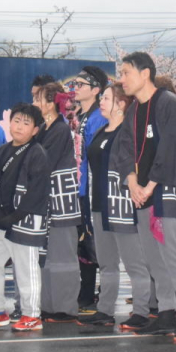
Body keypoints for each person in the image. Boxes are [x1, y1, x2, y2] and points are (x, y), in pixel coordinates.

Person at [112, 51, 176, 340]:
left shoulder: (168, 103)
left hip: (167, 189)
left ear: (145, 73)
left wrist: (149, 185)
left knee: (172, 252)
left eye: (126, 72)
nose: (121, 79)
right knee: (153, 256)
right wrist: (132, 182)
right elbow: (123, 148)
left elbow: (171, 148)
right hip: (142, 192)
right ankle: (165, 312)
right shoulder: (134, 109)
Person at [85, 84, 145, 328]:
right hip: (100, 203)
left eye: (106, 98)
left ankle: (142, 310)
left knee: (134, 263)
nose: (101, 101)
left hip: (121, 205)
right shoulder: (101, 131)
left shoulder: (127, 132)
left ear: (121, 104)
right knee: (106, 262)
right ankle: (105, 309)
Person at [0, 103, 50, 333]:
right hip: (4, 221)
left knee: (27, 269)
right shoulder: (2, 151)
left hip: (27, 220)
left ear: (35, 130)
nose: (19, 126)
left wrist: (16, 215)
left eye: (26, 123)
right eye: (16, 120)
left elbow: (38, 192)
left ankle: (32, 315)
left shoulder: (38, 153)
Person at [34, 80, 83, 323]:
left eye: (39, 98)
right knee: (49, 256)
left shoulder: (60, 129)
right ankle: (49, 305)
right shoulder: (44, 127)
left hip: (61, 201)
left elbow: (44, 162)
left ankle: (64, 306)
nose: (35, 103)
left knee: (62, 255)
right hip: (49, 201)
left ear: (52, 102)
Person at [70, 66, 109, 312]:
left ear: (96, 90)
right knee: (83, 243)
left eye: (81, 84)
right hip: (79, 188)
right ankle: (85, 293)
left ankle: (100, 295)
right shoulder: (81, 117)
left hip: (94, 189)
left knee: (96, 244)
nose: (76, 88)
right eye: (74, 84)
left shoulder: (99, 118)